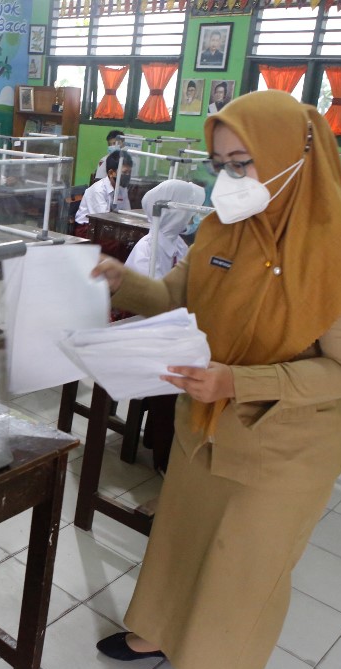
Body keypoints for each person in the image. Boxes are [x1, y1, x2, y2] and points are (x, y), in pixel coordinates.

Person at [90, 90, 341, 669]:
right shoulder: (223, 230)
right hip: (203, 428)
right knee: (180, 541)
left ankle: (214, 667)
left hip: (282, 449)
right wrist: (121, 280)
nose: (230, 179)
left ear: (294, 155)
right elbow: (175, 297)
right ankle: (155, 633)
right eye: (221, 165)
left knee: (242, 568)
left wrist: (237, 381)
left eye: (243, 163)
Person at [123, 179, 206, 474]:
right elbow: (153, 305)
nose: (193, 219)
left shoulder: (177, 244)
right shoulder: (149, 248)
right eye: (189, 212)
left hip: (170, 329)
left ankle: (173, 441)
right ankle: (164, 454)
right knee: (178, 376)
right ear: (173, 212)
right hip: (143, 333)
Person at [75, 150, 133, 236]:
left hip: (109, 228)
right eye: (124, 172)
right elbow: (104, 220)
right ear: (111, 173)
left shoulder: (122, 189)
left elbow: (127, 214)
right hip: (88, 229)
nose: (127, 175)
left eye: (129, 172)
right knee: (119, 245)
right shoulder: (98, 190)